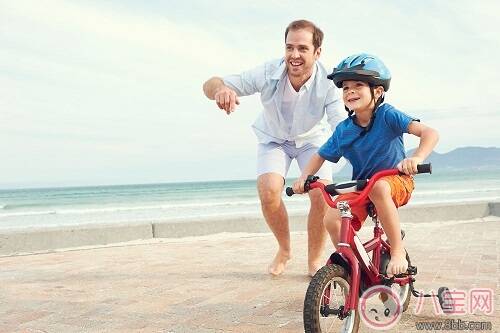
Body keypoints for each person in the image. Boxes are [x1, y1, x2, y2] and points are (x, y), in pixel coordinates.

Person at [203, 20, 345, 276]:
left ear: (317, 52)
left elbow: (340, 126)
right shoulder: (268, 71)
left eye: (302, 48)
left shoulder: (329, 83)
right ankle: (285, 249)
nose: (294, 55)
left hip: (311, 140)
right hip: (273, 139)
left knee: (321, 194)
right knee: (268, 192)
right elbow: (210, 84)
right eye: (289, 47)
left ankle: (314, 259)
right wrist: (221, 90)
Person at [292, 53, 439, 276]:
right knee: (331, 217)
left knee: (379, 187)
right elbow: (319, 155)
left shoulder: (387, 115)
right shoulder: (343, 129)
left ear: (378, 91)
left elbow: (429, 133)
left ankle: (397, 251)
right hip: (363, 187)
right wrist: (304, 178)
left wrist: (416, 158)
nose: (350, 91)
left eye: (358, 85)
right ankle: (355, 265)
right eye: (345, 88)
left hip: (396, 181)